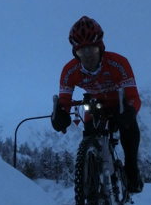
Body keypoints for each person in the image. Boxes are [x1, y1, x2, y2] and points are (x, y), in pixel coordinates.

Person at [51, 16, 144, 193]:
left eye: (92, 50)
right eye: (81, 52)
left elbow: (133, 97)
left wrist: (131, 111)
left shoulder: (119, 63)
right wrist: (61, 115)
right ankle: (92, 189)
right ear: (75, 53)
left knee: (129, 129)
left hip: (119, 104)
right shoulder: (69, 71)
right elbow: (64, 101)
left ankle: (132, 169)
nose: (87, 56)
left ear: (100, 47)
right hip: (95, 105)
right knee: (90, 138)